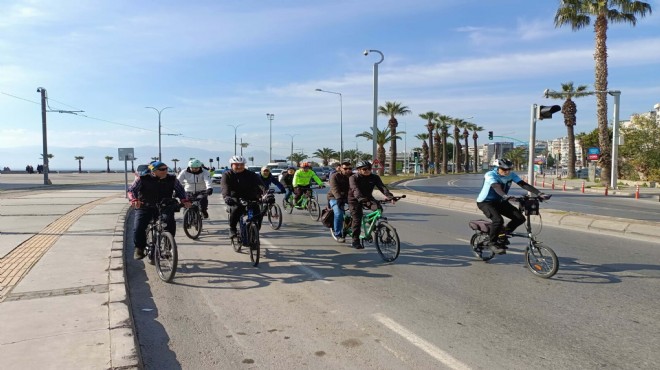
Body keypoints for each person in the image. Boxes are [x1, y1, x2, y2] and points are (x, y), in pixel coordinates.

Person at [476, 159, 547, 254]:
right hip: (486, 202)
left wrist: (539, 193)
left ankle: (502, 235)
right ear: (497, 168)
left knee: (520, 218)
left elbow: (523, 184)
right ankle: (492, 243)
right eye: (504, 169)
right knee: (498, 220)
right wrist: (505, 196)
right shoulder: (490, 175)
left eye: (509, 169)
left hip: (500, 201)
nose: (507, 171)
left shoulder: (511, 175)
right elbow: (496, 187)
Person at [127, 161, 190, 260]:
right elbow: (131, 190)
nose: (165, 171)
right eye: (162, 169)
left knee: (169, 224)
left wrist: (184, 200)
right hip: (145, 206)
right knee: (138, 227)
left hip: (165, 206)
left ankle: (168, 246)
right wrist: (134, 199)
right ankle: (139, 248)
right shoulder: (143, 179)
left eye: (166, 168)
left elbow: (180, 190)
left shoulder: (172, 179)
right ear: (154, 171)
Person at [348, 160, 394, 249]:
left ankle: (372, 224)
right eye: (364, 169)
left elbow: (382, 187)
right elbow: (354, 189)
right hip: (354, 199)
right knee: (357, 219)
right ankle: (355, 241)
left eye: (369, 168)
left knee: (379, 210)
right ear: (359, 170)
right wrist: (360, 198)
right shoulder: (353, 177)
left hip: (368, 198)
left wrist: (390, 196)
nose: (367, 170)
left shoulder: (374, 177)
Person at [221, 155, 267, 239]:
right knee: (236, 209)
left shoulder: (251, 174)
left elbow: (261, 185)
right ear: (231, 165)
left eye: (241, 164)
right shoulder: (227, 175)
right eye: (236, 164)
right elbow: (225, 187)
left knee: (258, 214)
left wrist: (266, 194)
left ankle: (254, 229)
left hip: (251, 197)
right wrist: (227, 197)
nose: (239, 167)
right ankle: (232, 229)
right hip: (235, 198)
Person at [327, 161, 352, 242]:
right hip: (334, 197)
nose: (348, 170)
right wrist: (339, 198)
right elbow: (334, 189)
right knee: (339, 213)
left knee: (357, 212)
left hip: (348, 197)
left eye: (350, 168)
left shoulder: (353, 176)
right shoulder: (334, 176)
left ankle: (348, 228)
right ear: (341, 168)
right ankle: (338, 234)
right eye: (345, 168)